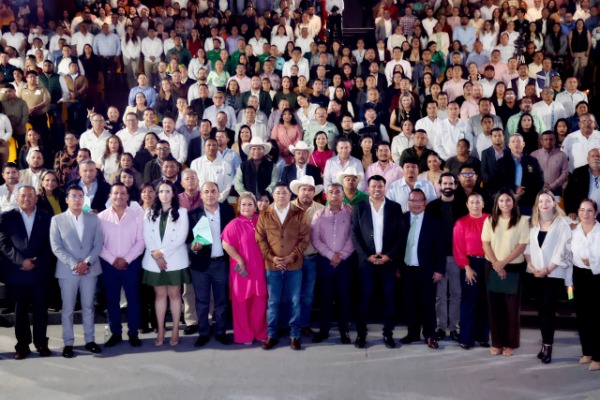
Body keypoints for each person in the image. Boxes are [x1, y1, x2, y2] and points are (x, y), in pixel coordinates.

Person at [351, 175, 406, 349]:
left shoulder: (395, 207)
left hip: (388, 262)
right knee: (364, 299)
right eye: (373, 186)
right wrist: (367, 256)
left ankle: (388, 333)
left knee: (389, 299)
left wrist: (389, 256)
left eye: (380, 186)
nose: (377, 189)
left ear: (385, 187)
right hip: (367, 262)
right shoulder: (359, 207)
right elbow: (354, 234)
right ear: (368, 188)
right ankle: (361, 334)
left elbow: (400, 235)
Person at [49, 184, 104, 358]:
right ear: (66, 199)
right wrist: (75, 264)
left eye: (81, 196)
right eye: (73, 196)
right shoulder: (57, 220)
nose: (77, 199)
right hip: (67, 272)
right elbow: (56, 247)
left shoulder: (93, 219)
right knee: (68, 308)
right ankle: (68, 343)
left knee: (88, 307)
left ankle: (90, 340)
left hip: (90, 270)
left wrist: (86, 263)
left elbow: (98, 244)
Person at [256, 183, 310, 351]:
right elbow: (260, 239)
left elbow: (304, 238)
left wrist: (291, 257)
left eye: (284, 193)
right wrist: (272, 257)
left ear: (290, 195)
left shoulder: (299, 213)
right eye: (278, 193)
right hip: (272, 266)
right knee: (273, 302)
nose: (281, 196)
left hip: (294, 265)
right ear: (273, 195)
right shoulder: (265, 214)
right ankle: (271, 335)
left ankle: (294, 335)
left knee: (294, 301)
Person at [0, 186, 52, 360]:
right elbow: (3, 243)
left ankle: (41, 343)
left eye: (30, 195)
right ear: (17, 198)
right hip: (17, 272)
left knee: (41, 309)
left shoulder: (47, 217)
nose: (27, 199)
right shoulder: (7, 218)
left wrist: (36, 261)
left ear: (36, 198)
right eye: (23, 196)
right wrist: (21, 260)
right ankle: (22, 346)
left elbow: (51, 244)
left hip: (40, 271)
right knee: (20, 311)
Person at [524, 190, 572, 364]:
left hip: (553, 274)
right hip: (536, 273)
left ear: (554, 203)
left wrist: (548, 269)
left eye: (547, 201)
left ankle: (548, 346)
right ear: (537, 205)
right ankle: (545, 344)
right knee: (541, 310)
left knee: (548, 311)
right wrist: (531, 265)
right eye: (541, 201)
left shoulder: (562, 223)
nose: (544, 204)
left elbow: (563, 250)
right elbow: (527, 247)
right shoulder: (533, 223)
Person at [481, 189, 530, 357]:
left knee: (511, 308)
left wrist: (503, 263)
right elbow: (485, 243)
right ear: (496, 203)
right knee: (495, 307)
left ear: (513, 202)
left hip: (513, 267)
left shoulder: (522, 221)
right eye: (501, 200)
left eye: (508, 200)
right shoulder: (490, 220)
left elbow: (522, 245)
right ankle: (497, 342)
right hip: (493, 266)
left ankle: (510, 344)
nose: (505, 204)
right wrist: (496, 263)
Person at [142, 181, 190, 347]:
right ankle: (161, 330)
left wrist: (162, 254)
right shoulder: (149, 212)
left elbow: (181, 238)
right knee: (160, 295)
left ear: (173, 193)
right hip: (154, 260)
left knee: (175, 294)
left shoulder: (182, 212)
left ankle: (175, 330)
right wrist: (156, 255)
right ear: (157, 194)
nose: (164, 194)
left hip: (174, 260)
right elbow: (147, 236)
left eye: (168, 191)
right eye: (161, 191)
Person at [187, 181, 235, 347]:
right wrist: (193, 246)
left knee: (221, 300)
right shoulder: (193, 214)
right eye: (206, 192)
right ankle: (204, 332)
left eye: (213, 191)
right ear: (201, 195)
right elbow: (187, 240)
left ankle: (221, 332)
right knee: (202, 301)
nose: (210, 195)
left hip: (221, 263)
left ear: (218, 193)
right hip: (201, 265)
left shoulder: (228, 211)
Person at [98, 183, 145, 349]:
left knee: (133, 299)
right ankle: (115, 333)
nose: (119, 196)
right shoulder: (101, 217)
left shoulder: (137, 215)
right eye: (116, 193)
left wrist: (127, 259)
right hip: (109, 265)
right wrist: (113, 260)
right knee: (112, 301)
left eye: (123, 193)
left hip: (131, 264)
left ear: (128, 196)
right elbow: (98, 244)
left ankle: (133, 333)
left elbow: (141, 241)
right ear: (110, 196)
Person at [400, 188, 445, 349]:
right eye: (413, 200)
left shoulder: (434, 221)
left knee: (428, 304)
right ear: (408, 202)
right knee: (410, 304)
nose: (416, 203)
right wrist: (397, 267)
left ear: (425, 202)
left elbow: (440, 248)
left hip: (428, 270)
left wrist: (439, 270)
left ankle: (430, 335)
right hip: (407, 269)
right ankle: (412, 333)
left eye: (419, 200)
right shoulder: (402, 219)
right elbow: (397, 245)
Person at [221, 192, 268, 344]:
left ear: (255, 207)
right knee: (242, 303)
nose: (246, 207)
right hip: (242, 270)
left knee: (260, 301)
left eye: (250, 204)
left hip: (259, 269)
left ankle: (260, 332)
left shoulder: (261, 221)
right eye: (243, 204)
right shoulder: (234, 224)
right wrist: (239, 259)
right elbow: (225, 244)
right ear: (239, 207)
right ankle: (244, 335)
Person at [311, 183, 354, 344]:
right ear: (326, 196)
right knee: (325, 298)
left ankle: (344, 331)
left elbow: (354, 236)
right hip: (325, 262)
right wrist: (331, 255)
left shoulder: (351, 213)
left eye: (337, 192)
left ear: (343, 196)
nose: (334, 195)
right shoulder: (319, 214)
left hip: (345, 262)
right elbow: (315, 238)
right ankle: (324, 331)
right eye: (331, 192)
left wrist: (341, 256)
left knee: (344, 297)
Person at [426, 173, 462, 342]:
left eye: (451, 183)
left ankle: (454, 328)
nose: (448, 186)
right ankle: (441, 327)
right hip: (438, 259)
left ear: (455, 186)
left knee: (456, 295)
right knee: (439, 296)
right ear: (439, 185)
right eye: (445, 183)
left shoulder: (462, 206)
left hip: (457, 258)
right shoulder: (432, 207)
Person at [453, 193, 491, 350]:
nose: (475, 205)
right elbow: (458, 248)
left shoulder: (491, 220)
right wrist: (466, 267)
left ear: (483, 204)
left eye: (478, 202)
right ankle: (466, 338)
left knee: (485, 301)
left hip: (488, 263)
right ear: (467, 205)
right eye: (472, 202)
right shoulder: (460, 223)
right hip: (470, 264)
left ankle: (482, 336)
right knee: (469, 301)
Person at [290, 176, 325, 337]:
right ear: (298, 191)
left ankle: (304, 324)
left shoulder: (321, 209)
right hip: (292, 258)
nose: (306, 192)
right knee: (292, 294)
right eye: (303, 189)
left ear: (314, 193)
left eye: (310, 190)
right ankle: (291, 325)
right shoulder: (287, 207)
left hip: (311, 257)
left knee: (307, 295)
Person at [571, 199, 600, 371]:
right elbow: (568, 255)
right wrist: (569, 281)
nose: (585, 214)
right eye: (582, 210)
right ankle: (587, 352)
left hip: (597, 277)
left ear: (596, 213)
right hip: (578, 276)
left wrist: (593, 262)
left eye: (589, 210)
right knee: (581, 314)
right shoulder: (573, 231)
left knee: (595, 316)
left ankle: (598, 357)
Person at [496, 134, 544, 215]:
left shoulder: (532, 161)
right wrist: (514, 189)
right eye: (513, 142)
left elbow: (539, 181)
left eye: (518, 141)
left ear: (523, 144)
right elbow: (497, 182)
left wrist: (524, 191)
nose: (516, 144)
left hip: (528, 202)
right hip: (507, 202)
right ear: (509, 145)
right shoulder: (501, 162)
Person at [564, 149, 600, 220]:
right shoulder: (578, 173)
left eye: (598, 156)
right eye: (593, 156)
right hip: (584, 215)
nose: (596, 158)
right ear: (588, 159)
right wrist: (571, 211)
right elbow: (569, 193)